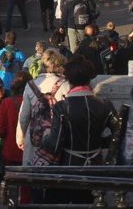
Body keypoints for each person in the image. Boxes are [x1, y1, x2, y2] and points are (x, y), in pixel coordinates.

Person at [41, 57, 121, 203]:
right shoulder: (105, 105)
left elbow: (54, 143)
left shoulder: (62, 107)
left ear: (68, 80)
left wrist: (43, 137)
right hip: (96, 167)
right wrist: (99, 143)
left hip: (68, 169)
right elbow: (119, 135)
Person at [17, 49, 70, 167]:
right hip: (58, 138)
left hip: (35, 136)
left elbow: (24, 116)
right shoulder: (66, 84)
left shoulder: (31, 85)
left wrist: (20, 137)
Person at [0, 71, 29, 203]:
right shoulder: (35, 102)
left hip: (10, 151)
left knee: (12, 187)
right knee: (27, 187)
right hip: (29, 152)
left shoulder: (7, 103)